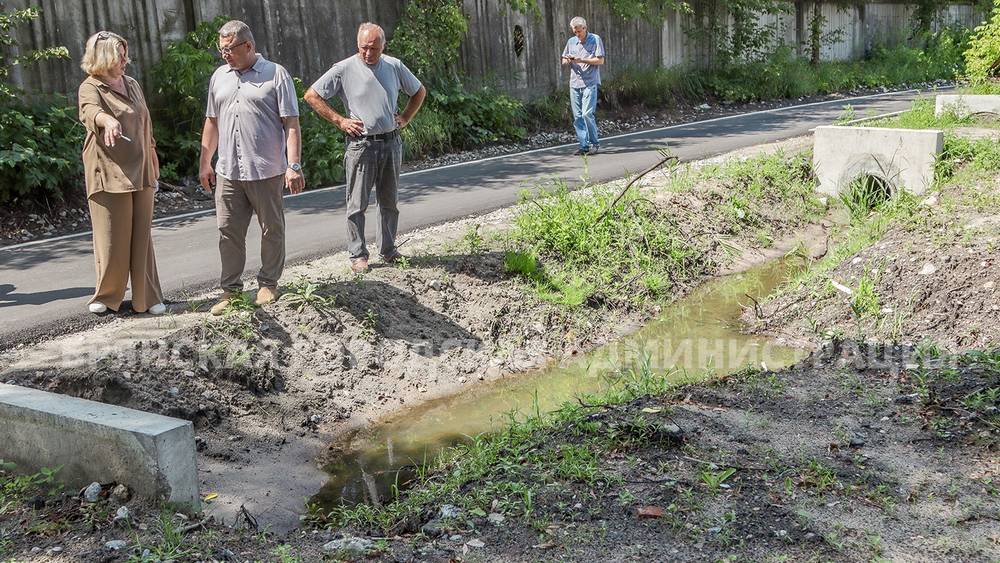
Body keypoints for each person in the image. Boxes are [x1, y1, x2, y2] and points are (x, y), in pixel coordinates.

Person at [198, 20, 304, 316]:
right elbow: (212, 121)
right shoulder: (219, 76)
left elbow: (291, 124)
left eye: (230, 49)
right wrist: (205, 162)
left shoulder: (275, 74)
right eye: (221, 50)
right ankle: (230, 292)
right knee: (227, 231)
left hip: (267, 169)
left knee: (271, 228)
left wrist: (293, 164)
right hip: (229, 170)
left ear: (248, 46)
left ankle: (268, 282)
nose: (225, 55)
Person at [304, 22, 426, 274]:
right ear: (357, 45)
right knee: (357, 203)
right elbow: (311, 95)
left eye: (374, 48)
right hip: (361, 145)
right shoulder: (344, 68)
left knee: (389, 201)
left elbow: (419, 91)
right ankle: (358, 254)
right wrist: (340, 120)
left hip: (391, 142)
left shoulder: (394, 66)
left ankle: (389, 249)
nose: (369, 53)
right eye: (364, 48)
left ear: (383, 46)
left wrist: (405, 117)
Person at [78, 31, 166, 316]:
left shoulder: (133, 84)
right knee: (112, 236)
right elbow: (89, 112)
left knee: (142, 235)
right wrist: (106, 121)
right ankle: (107, 295)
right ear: (104, 57)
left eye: (125, 53)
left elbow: (146, 122)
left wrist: (152, 153)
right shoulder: (90, 86)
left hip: (140, 168)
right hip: (107, 168)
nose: (125, 59)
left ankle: (147, 298)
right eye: (120, 54)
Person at [561, 16, 605, 156]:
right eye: (575, 32)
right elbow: (563, 59)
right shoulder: (571, 42)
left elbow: (600, 60)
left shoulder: (595, 39)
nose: (577, 34)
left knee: (587, 114)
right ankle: (583, 146)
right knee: (578, 117)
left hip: (590, 82)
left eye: (579, 31)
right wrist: (567, 60)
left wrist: (582, 60)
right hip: (574, 83)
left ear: (585, 28)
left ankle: (594, 143)